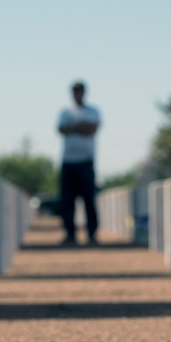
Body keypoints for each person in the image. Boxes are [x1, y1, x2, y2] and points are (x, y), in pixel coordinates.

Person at [57, 80, 101, 246]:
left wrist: (73, 128)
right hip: (68, 161)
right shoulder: (65, 112)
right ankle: (69, 233)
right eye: (75, 91)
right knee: (67, 200)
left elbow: (92, 128)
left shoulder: (93, 111)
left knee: (89, 199)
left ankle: (92, 233)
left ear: (84, 92)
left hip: (86, 161)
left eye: (80, 90)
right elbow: (61, 129)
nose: (78, 93)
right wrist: (80, 127)